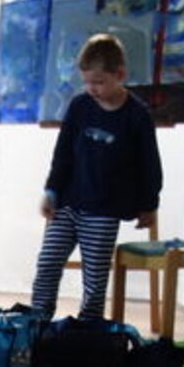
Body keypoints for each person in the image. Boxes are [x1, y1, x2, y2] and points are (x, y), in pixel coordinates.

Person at [29, 33, 162, 321]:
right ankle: (37, 321)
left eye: (99, 82)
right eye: (87, 82)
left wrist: (149, 204)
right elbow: (63, 153)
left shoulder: (137, 115)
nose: (92, 89)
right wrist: (51, 191)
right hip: (67, 202)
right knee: (48, 262)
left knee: (95, 276)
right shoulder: (79, 106)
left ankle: (88, 328)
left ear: (120, 75)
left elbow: (149, 164)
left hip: (104, 208)